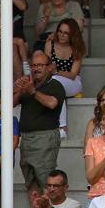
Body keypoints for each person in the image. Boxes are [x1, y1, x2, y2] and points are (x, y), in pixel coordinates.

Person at [16, 51, 66, 193]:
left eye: (40, 65)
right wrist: (20, 89)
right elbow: (10, 104)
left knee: (46, 182)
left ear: (50, 67)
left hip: (45, 138)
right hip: (26, 139)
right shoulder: (29, 85)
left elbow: (52, 103)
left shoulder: (55, 85)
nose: (36, 68)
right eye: (34, 65)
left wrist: (32, 91)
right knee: (30, 181)